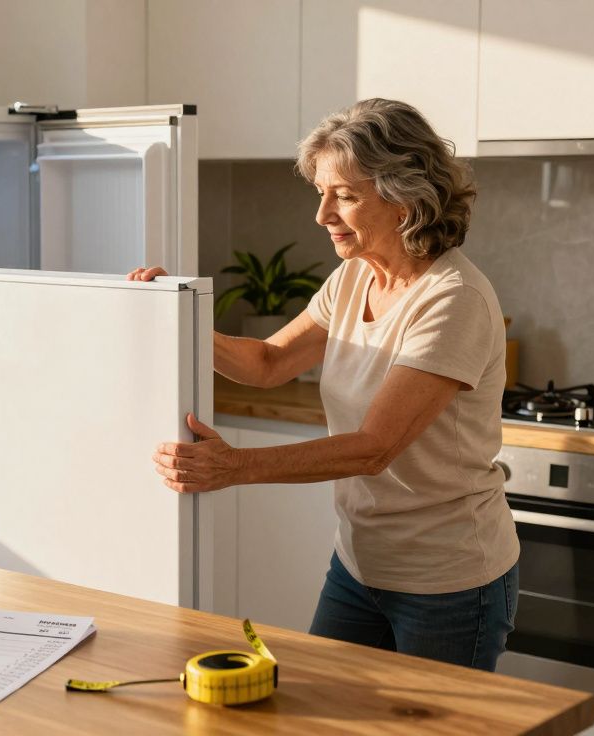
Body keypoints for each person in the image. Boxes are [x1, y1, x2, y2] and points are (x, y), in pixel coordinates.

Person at [127, 98, 518, 672]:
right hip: (359, 565)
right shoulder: (355, 275)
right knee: (320, 707)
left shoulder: (453, 299)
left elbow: (373, 448)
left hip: (448, 581)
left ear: (407, 199)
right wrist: (176, 319)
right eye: (321, 192)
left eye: (345, 196)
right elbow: (268, 362)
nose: (322, 214)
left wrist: (234, 467)